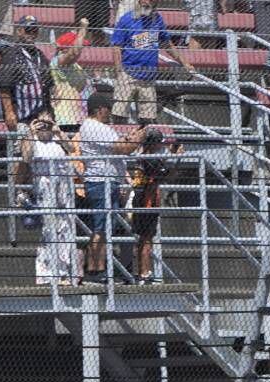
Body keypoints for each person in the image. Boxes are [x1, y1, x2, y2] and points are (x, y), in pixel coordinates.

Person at [78, 90, 143, 282]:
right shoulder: (94, 127)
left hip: (107, 182)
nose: (110, 112)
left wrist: (130, 137)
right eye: (108, 109)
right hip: (101, 181)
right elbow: (122, 149)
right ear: (99, 110)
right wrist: (139, 138)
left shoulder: (99, 127)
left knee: (105, 227)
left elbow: (118, 144)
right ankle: (95, 270)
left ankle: (98, 269)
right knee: (101, 226)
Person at [17, 114, 77, 286]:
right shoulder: (32, 140)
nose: (45, 127)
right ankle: (46, 274)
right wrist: (30, 132)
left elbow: (72, 148)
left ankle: (64, 272)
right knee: (49, 227)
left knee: (65, 227)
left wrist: (58, 130)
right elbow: (26, 158)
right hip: (44, 183)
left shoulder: (57, 139)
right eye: (41, 123)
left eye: (47, 123)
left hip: (63, 184)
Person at [111, 0, 181, 125]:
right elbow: (117, 46)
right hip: (128, 72)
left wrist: (185, 63)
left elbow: (167, 44)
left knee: (148, 118)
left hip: (148, 77)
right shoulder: (126, 19)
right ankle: (119, 140)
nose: (146, 2)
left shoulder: (157, 20)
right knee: (119, 114)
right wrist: (118, 70)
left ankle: (145, 142)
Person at [126, 126, 178, 284]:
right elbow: (165, 175)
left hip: (141, 196)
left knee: (143, 237)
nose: (161, 146)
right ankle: (144, 273)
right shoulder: (150, 158)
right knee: (147, 237)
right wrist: (176, 158)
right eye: (158, 143)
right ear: (152, 143)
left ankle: (142, 272)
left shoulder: (142, 155)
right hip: (147, 199)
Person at [0, 15, 53, 137]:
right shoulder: (11, 54)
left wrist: (49, 111)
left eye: (35, 30)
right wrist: (9, 112)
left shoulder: (40, 55)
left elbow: (48, 85)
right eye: (28, 30)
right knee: (25, 149)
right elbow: (4, 87)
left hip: (41, 114)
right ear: (19, 31)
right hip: (22, 116)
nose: (32, 34)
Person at [49, 27, 89, 133]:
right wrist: (83, 28)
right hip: (65, 119)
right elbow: (74, 53)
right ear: (66, 48)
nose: (82, 49)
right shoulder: (58, 61)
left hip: (79, 117)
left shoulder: (76, 66)